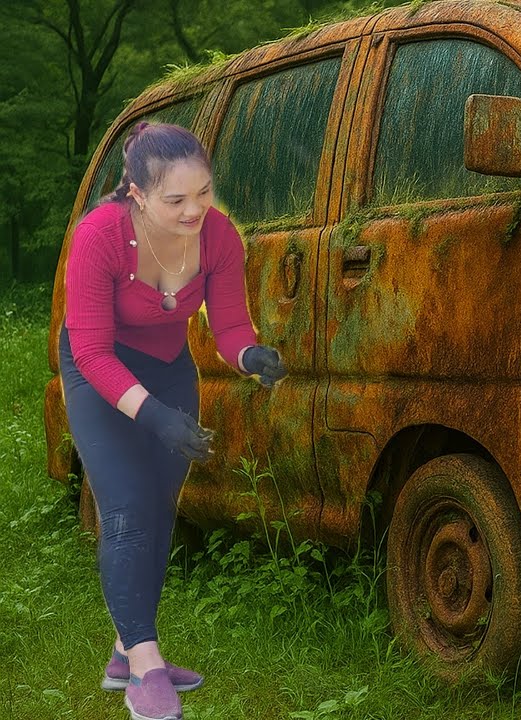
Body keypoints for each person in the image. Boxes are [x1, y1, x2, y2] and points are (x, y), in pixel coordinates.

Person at [60, 121, 286, 720]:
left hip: (167, 367)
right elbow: (90, 351)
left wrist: (249, 355)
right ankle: (144, 669)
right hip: (97, 368)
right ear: (136, 192)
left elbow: (230, 324)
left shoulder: (218, 237)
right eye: (177, 199)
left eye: (205, 192)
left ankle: (123, 649)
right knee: (128, 509)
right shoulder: (99, 236)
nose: (196, 210)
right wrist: (153, 415)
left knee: (159, 508)